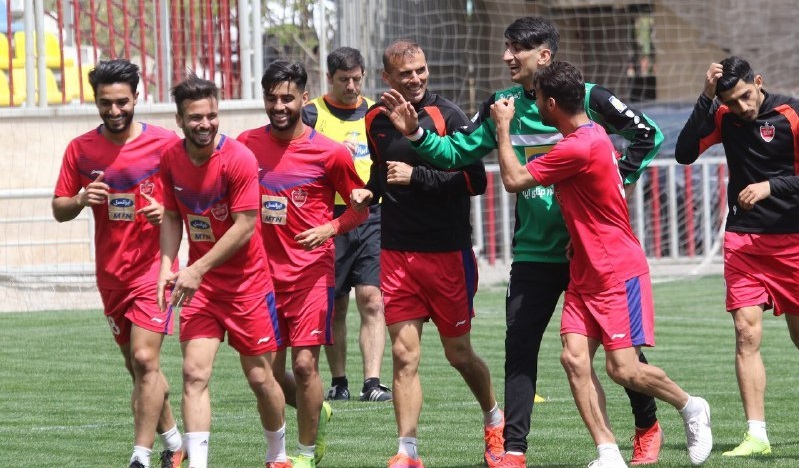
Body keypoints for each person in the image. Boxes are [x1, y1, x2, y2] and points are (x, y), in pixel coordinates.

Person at [378, 16, 664, 467]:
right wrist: (416, 134)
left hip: (590, 251)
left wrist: (617, 181)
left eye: (516, 49)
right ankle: (514, 449)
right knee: (520, 346)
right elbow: (456, 154)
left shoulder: (587, 98)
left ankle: (647, 425)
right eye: (506, 47)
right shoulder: (502, 105)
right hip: (534, 251)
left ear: (544, 55)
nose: (506, 57)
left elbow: (649, 135)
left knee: (622, 352)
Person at [491, 60, 713, 468]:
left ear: (551, 103)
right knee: (574, 359)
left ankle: (690, 405)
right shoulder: (591, 134)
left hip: (615, 270)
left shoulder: (577, 146)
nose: (533, 105)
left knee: (623, 369)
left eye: (537, 99)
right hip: (584, 268)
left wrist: (502, 127)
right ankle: (608, 452)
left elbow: (513, 180)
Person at [350, 39, 503, 468]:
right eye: (405, 73)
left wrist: (417, 176)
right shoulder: (375, 118)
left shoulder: (448, 116)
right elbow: (382, 172)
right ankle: (407, 451)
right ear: (387, 78)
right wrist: (370, 190)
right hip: (397, 253)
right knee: (403, 356)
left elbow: (475, 181)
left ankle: (494, 419)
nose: (415, 79)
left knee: (459, 355)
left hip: (446, 253)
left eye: (421, 70)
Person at [51, 58, 184, 468]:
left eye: (122, 102)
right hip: (111, 275)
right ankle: (174, 443)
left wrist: (168, 211)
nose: (114, 111)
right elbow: (59, 208)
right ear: (95, 101)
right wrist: (79, 199)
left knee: (145, 360)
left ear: (137, 97)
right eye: (105, 103)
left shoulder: (166, 144)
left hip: (155, 269)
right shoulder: (81, 150)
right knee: (138, 367)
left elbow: (191, 196)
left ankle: (140, 456)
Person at [238, 60, 368, 468]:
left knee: (305, 364)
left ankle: (306, 455)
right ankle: (314, 414)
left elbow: (360, 209)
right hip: (260, 278)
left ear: (304, 99)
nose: (279, 106)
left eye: (287, 98)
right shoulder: (245, 145)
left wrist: (330, 228)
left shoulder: (330, 152)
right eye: (272, 98)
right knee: (269, 374)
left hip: (311, 274)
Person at [157, 74, 290, 468]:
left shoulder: (238, 159)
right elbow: (171, 215)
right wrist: (167, 266)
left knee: (261, 379)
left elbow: (245, 226)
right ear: (179, 120)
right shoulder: (170, 159)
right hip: (201, 290)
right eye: (196, 117)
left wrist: (196, 268)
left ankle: (278, 455)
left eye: (212, 115)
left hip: (248, 287)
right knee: (193, 374)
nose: (206, 124)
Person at [675, 56, 799, 458]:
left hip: (793, 242)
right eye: (731, 101)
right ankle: (756, 435)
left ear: (758, 81)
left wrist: (771, 187)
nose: (741, 107)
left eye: (745, 96)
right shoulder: (724, 116)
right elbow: (684, 154)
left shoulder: (792, 114)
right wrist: (706, 98)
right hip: (744, 242)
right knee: (745, 334)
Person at [302, 46, 391, 403]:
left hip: (372, 215)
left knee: (372, 299)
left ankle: (373, 382)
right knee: (336, 303)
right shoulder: (311, 114)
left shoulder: (376, 113)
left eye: (356, 79)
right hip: (330, 217)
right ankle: (339, 381)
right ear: (329, 79)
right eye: (343, 80)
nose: (351, 86)